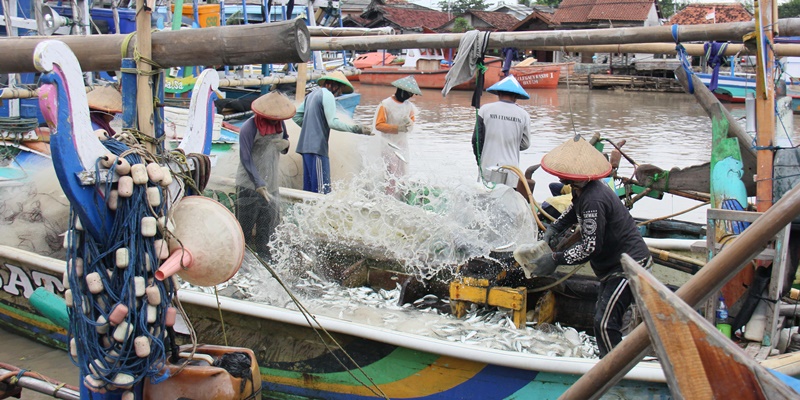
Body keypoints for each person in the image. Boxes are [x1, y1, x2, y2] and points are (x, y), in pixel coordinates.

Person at [515, 135, 652, 358]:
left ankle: (612, 369)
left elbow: (590, 247)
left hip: (629, 267)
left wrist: (555, 259)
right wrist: (554, 229)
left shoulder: (594, 199)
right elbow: (572, 210)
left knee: (605, 323)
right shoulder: (584, 191)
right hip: (612, 267)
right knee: (602, 317)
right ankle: (608, 359)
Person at [235, 91, 295, 259]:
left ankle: (265, 261)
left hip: (272, 185)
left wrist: (285, 144)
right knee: (244, 228)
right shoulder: (249, 127)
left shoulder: (280, 125)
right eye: (272, 117)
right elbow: (245, 157)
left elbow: (285, 144)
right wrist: (258, 183)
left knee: (267, 229)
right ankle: (241, 262)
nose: (275, 120)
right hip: (249, 185)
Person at [293, 71, 372, 193]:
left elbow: (296, 117)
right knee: (321, 191)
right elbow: (333, 122)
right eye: (340, 89)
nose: (339, 93)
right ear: (334, 86)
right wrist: (357, 129)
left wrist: (312, 127)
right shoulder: (327, 95)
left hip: (305, 149)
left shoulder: (311, 95)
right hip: (317, 149)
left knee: (308, 191)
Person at [472, 75, 530, 188]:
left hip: (487, 165)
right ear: (516, 96)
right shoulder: (523, 115)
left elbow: (476, 140)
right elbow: (525, 144)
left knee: (485, 199)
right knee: (506, 199)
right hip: (511, 169)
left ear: (498, 93)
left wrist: (479, 160)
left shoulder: (485, 109)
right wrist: (511, 143)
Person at [372, 75, 421, 192]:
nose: (411, 96)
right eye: (410, 93)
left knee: (402, 172)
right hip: (388, 145)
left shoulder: (409, 106)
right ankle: (389, 199)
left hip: (402, 145)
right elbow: (379, 125)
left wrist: (409, 124)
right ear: (403, 91)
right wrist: (398, 128)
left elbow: (412, 122)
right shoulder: (385, 104)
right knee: (391, 174)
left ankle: (400, 195)